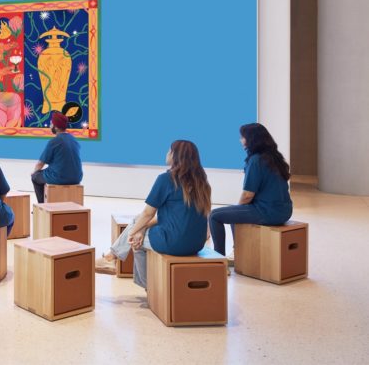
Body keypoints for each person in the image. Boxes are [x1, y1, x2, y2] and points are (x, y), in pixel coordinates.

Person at [93, 140, 211, 289]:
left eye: (169, 150)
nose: (167, 153)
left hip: (175, 242)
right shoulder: (202, 182)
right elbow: (169, 217)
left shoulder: (166, 179)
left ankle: (149, 288)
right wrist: (140, 229)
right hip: (196, 243)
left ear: (175, 155)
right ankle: (111, 257)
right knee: (138, 224)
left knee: (136, 242)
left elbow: (148, 213)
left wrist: (133, 233)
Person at [209, 123, 293, 257]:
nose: (240, 140)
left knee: (214, 215)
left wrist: (237, 208)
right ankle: (238, 252)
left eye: (242, 137)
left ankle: (218, 259)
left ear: (251, 139)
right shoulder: (275, 158)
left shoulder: (256, 160)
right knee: (233, 213)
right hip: (285, 211)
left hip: (268, 212)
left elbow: (247, 195)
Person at [31, 111, 83, 203]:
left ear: (56, 127)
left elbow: (40, 164)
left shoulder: (54, 141)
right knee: (46, 172)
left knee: (35, 177)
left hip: (59, 177)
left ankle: (42, 205)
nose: (50, 126)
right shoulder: (73, 139)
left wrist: (34, 172)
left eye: (51, 124)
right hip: (77, 177)